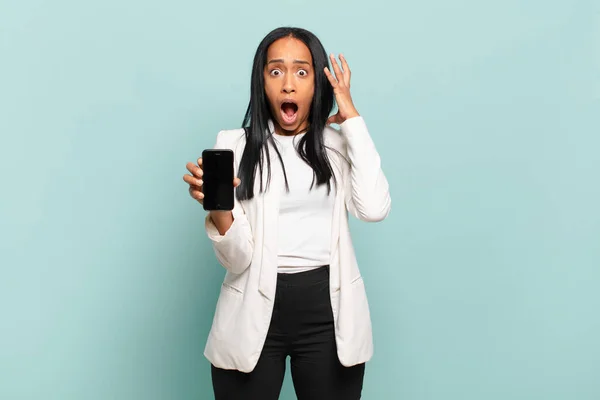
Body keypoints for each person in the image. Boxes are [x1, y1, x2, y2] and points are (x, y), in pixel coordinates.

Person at [183, 26, 391, 400]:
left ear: (318, 83)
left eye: (301, 71)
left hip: (328, 315)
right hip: (251, 311)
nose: (288, 85)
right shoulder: (234, 145)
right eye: (276, 71)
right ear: (261, 81)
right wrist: (219, 210)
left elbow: (374, 208)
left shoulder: (338, 145)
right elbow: (237, 258)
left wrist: (353, 118)